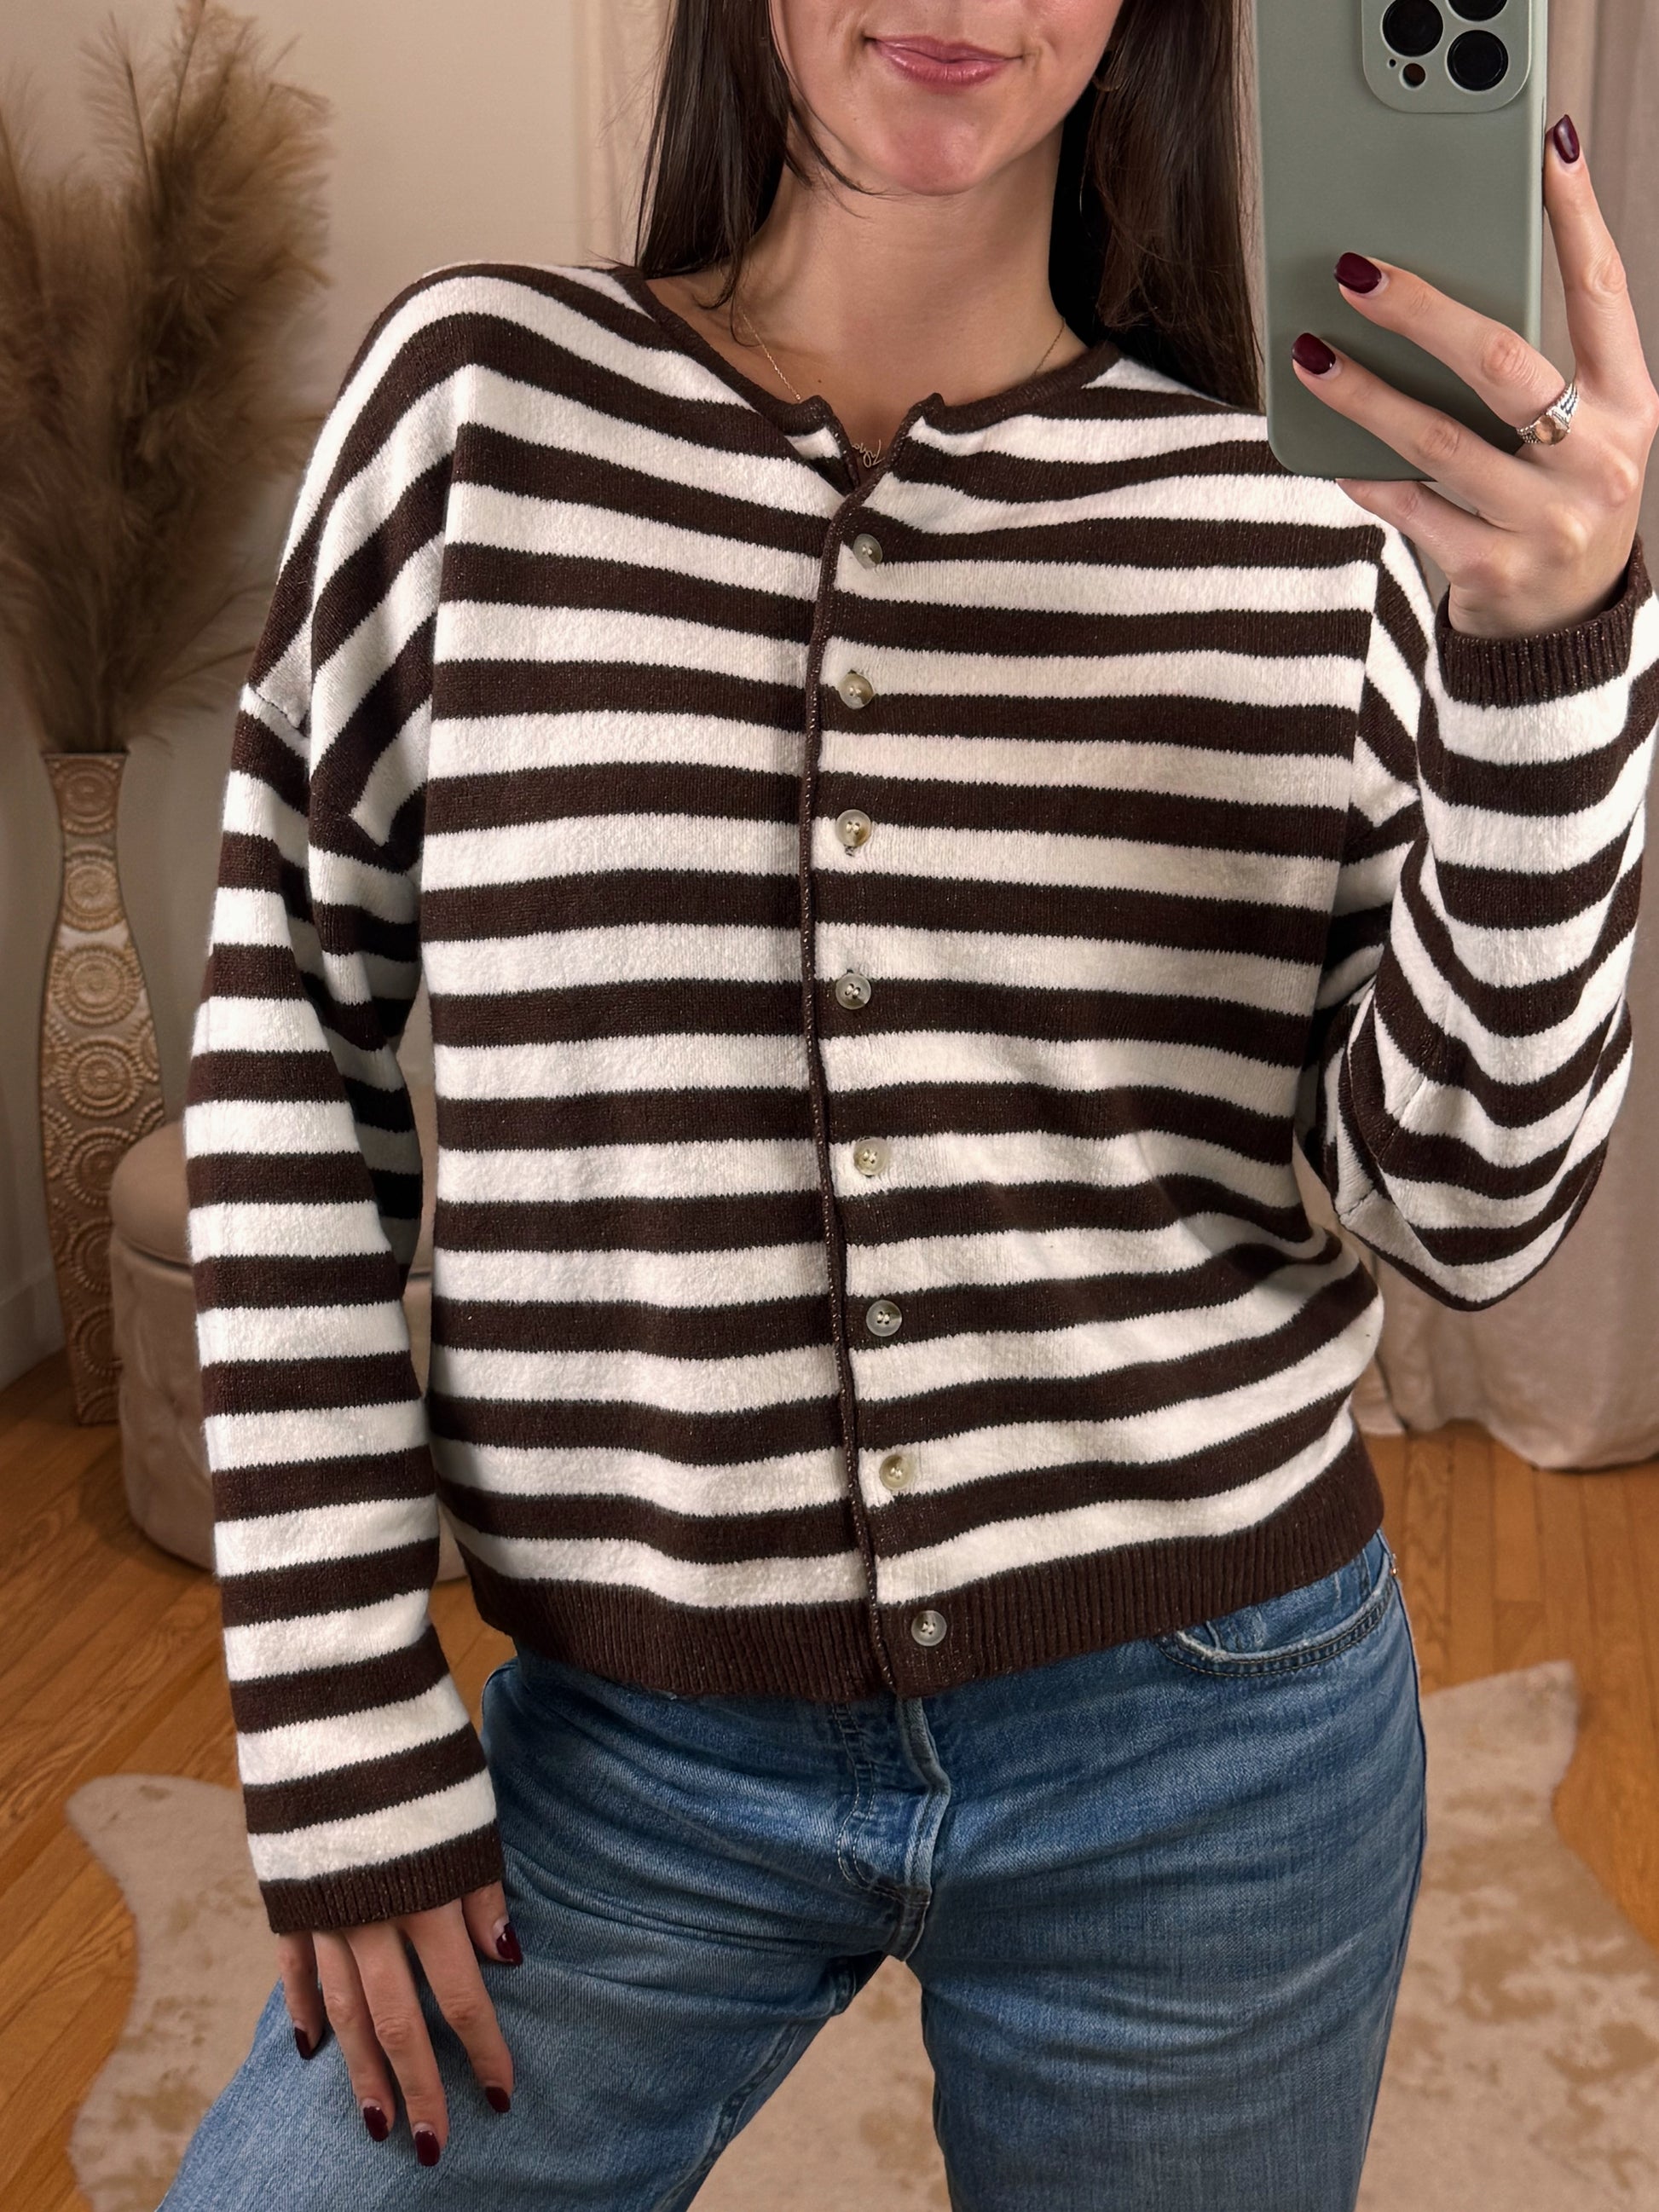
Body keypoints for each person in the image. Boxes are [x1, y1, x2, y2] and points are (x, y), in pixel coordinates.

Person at [164, 3, 1659, 2207]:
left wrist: (1546, 665)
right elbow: (286, 1068)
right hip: (633, 1743)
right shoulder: (478, 410)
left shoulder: (1313, 513)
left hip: (1209, 1739)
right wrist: (337, 1729)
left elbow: (1463, 1213)